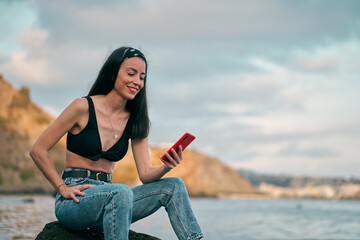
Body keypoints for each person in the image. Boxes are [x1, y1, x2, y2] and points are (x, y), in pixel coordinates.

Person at [30, 47, 203, 240]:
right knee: (121, 192)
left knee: (174, 186)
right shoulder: (82, 107)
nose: (137, 81)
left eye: (142, 77)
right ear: (113, 72)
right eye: (131, 73)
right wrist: (62, 188)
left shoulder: (137, 120)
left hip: (115, 202)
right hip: (76, 200)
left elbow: (145, 174)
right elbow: (38, 150)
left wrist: (165, 167)